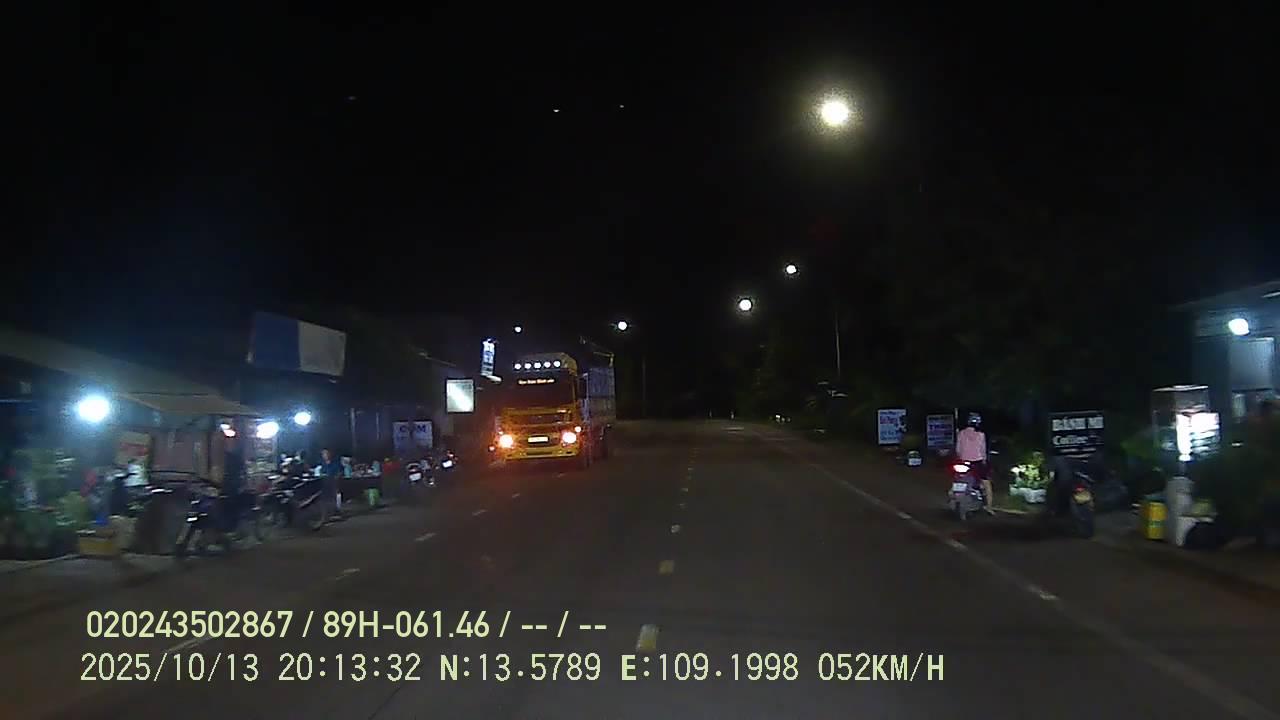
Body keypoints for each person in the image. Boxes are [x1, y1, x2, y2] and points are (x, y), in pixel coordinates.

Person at [955, 413, 993, 514]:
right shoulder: (981, 435)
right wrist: (984, 461)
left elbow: (958, 450)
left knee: (958, 478)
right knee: (987, 484)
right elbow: (983, 451)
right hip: (977, 463)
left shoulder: (961, 433)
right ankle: (989, 507)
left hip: (963, 462)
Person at [317, 448, 344, 514]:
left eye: (326, 453)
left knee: (336, 492)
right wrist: (322, 475)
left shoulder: (336, 463)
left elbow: (340, 472)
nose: (325, 455)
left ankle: (337, 509)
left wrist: (337, 476)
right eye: (323, 454)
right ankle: (327, 510)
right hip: (325, 483)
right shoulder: (323, 464)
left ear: (330, 454)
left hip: (334, 482)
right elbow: (321, 473)